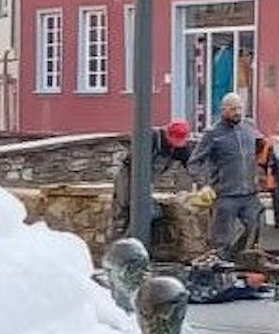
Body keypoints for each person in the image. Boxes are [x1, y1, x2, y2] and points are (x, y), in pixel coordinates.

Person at [188, 93, 265, 262]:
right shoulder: (213, 133)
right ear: (223, 110)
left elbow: (262, 147)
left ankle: (244, 264)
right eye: (233, 109)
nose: (237, 112)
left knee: (255, 230)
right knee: (222, 240)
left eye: (239, 108)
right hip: (225, 195)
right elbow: (194, 162)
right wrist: (204, 184)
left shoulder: (250, 127)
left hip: (249, 193)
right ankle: (222, 271)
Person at [107, 120, 195, 240]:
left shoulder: (179, 148)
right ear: (168, 135)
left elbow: (193, 166)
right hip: (129, 175)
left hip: (147, 182)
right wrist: (139, 193)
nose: (179, 145)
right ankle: (119, 246)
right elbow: (135, 163)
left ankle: (134, 244)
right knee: (124, 209)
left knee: (152, 212)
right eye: (176, 140)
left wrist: (204, 185)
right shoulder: (149, 138)